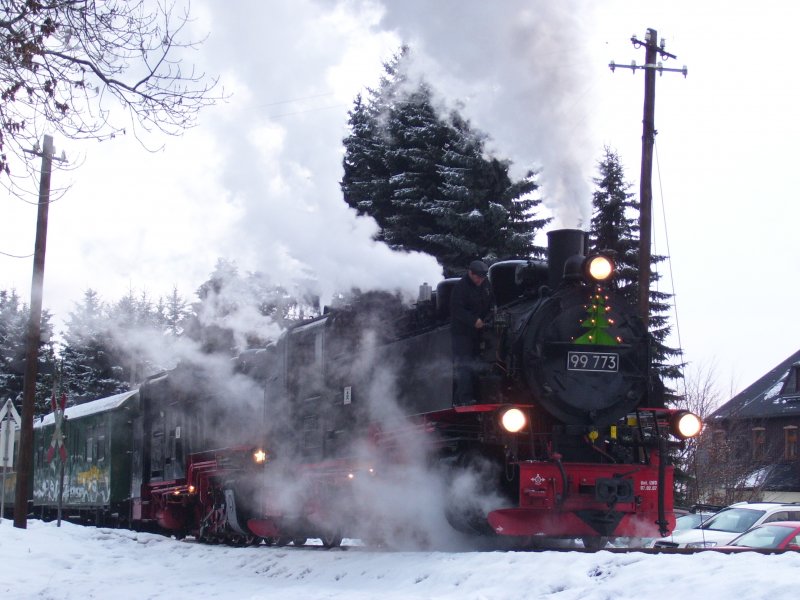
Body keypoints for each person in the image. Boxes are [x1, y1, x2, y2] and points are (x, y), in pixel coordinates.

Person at [449, 260, 494, 405]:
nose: (480, 280)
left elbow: (491, 301)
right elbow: (457, 310)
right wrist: (474, 320)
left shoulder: (486, 284)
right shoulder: (460, 288)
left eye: (482, 277)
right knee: (465, 363)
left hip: (479, 332)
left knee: (478, 362)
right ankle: (464, 398)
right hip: (462, 333)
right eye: (478, 277)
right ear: (470, 273)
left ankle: (477, 395)